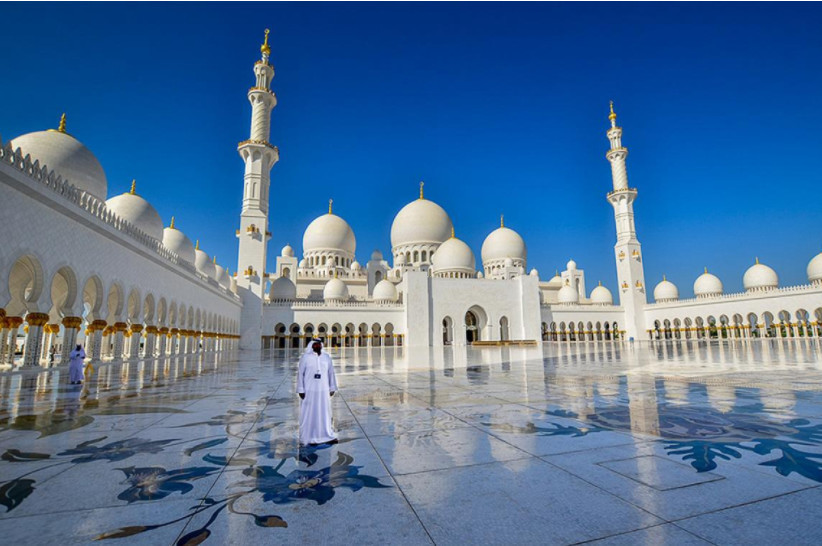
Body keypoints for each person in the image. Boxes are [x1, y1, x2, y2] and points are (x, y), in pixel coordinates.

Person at [296, 338, 338, 446]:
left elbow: (331, 373)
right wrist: (301, 389)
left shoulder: (326, 357)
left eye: (318, 344)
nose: (317, 346)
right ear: (311, 346)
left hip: (323, 390)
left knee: (324, 412)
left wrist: (332, 387)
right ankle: (309, 436)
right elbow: (300, 374)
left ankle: (326, 435)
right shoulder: (305, 358)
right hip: (309, 390)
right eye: (315, 345)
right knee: (310, 413)